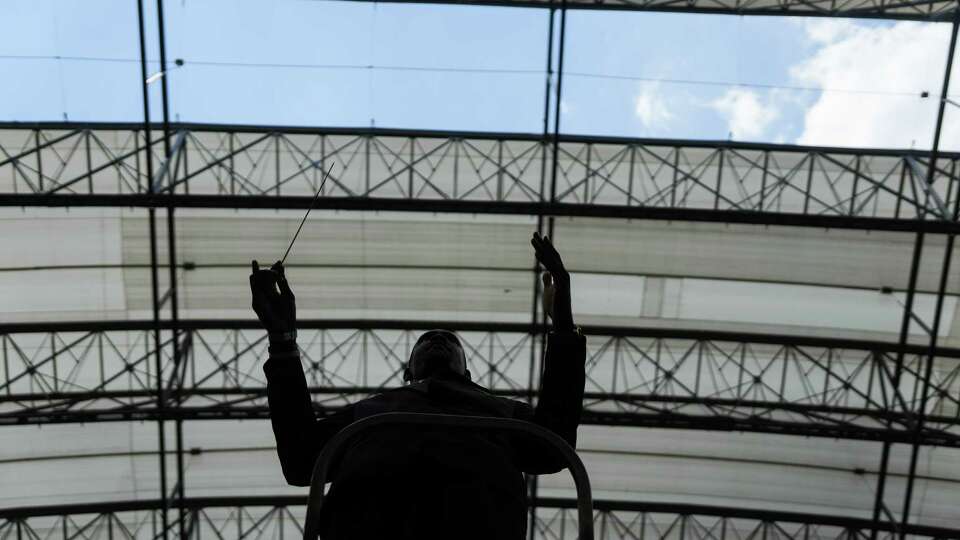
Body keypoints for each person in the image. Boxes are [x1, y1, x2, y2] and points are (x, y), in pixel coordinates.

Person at [250, 231, 586, 540]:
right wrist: (282, 340)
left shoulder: (500, 410)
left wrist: (564, 326)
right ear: (407, 373)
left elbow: (553, 445)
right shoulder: (374, 410)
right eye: (427, 339)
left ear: (468, 375)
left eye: (447, 340)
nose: (437, 339)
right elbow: (301, 459)